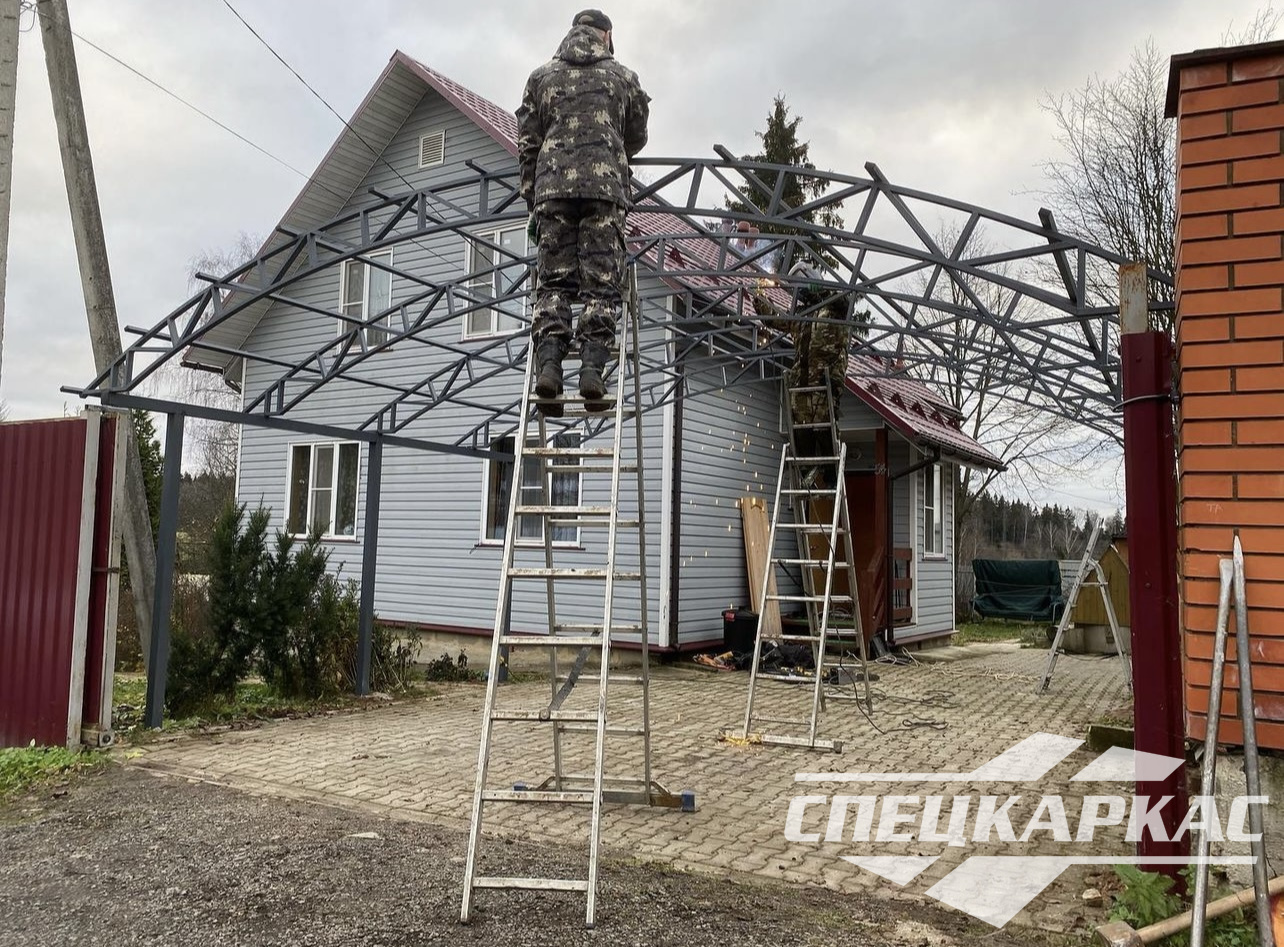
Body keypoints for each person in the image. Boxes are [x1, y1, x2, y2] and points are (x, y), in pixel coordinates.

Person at [516, 9, 651, 414]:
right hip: (603, 192)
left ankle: (550, 368)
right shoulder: (624, 78)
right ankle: (592, 370)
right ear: (607, 36)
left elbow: (527, 144)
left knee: (554, 284)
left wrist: (533, 200)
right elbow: (637, 136)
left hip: (553, 191)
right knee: (601, 285)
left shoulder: (540, 78)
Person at [753, 261, 855, 484]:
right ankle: (807, 468)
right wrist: (759, 296)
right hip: (802, 378)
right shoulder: (801, 314)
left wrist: (824, 290)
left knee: (823, 424)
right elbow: (775, 319)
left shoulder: (835, 309)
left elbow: (847, 303)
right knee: (801, 425)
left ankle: (830, 473)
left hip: (826, 378)